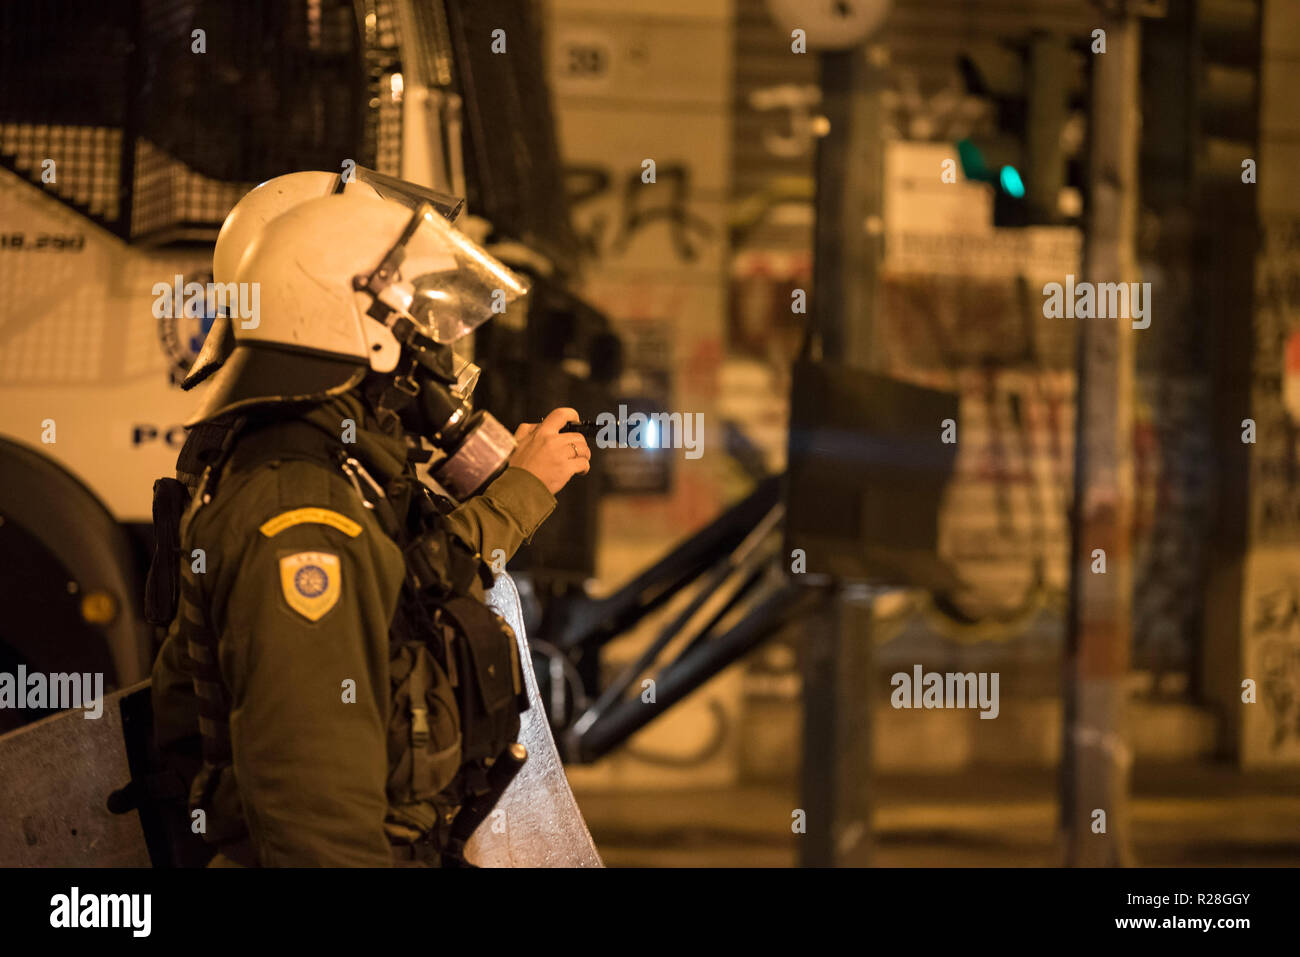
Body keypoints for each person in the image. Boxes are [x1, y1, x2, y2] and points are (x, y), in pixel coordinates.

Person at [145, 170, 590, 866]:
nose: (433, 351)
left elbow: (410, 588)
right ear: (348, 322)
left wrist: (516, 492)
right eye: (414, 324)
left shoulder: (322, 472)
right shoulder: (302, 519)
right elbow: (315, 819)